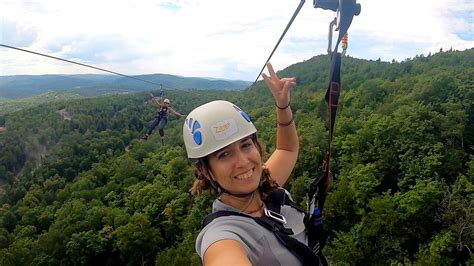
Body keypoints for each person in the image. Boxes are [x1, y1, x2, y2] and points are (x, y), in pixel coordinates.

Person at [183, 63, 318, 265]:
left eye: (246, 145)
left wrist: (282, 106)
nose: (243, 162)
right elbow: (224, 257)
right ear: (206, 171)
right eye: (224, 154)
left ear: (257, 146)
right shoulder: (223, 234)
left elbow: (287, 149)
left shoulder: (265, 187)